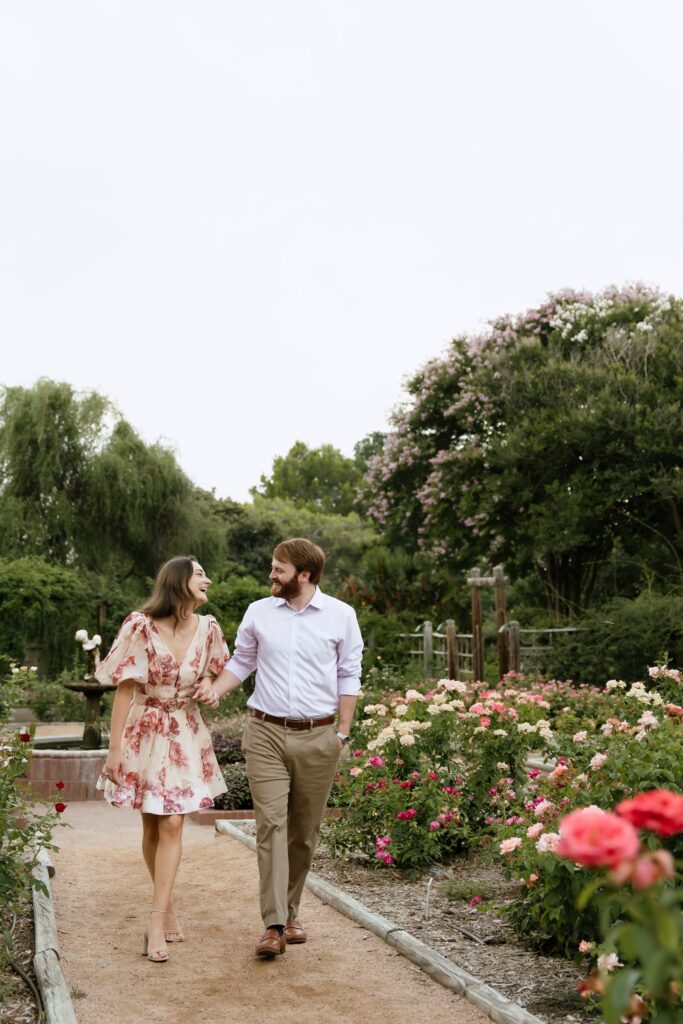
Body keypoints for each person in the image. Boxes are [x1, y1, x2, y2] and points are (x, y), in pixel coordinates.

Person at [194, 537, 363, 959]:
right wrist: (216, 688)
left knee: (303, 834)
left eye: (279, 569)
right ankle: (273, 925)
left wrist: (342, 732)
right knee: (271, 824)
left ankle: (291, 913)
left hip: (319, 736)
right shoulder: (258, 612)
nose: (271, 574)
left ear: (303, 575)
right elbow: (242, 661)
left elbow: (349, 675)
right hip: (265, 731)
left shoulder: (341, 616)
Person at [97, 556, 228, 963]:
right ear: (179, 581)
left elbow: (217, 670)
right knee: (152, 822)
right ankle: (166, 904)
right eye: (200, 573)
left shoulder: (209, 629)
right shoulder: (140, 625)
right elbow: (124, 689)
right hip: (145, 729)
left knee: (173, 821)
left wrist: (208, 683)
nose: (207, 578)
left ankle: (154, 920)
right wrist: (114, 749)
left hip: (186, 731)